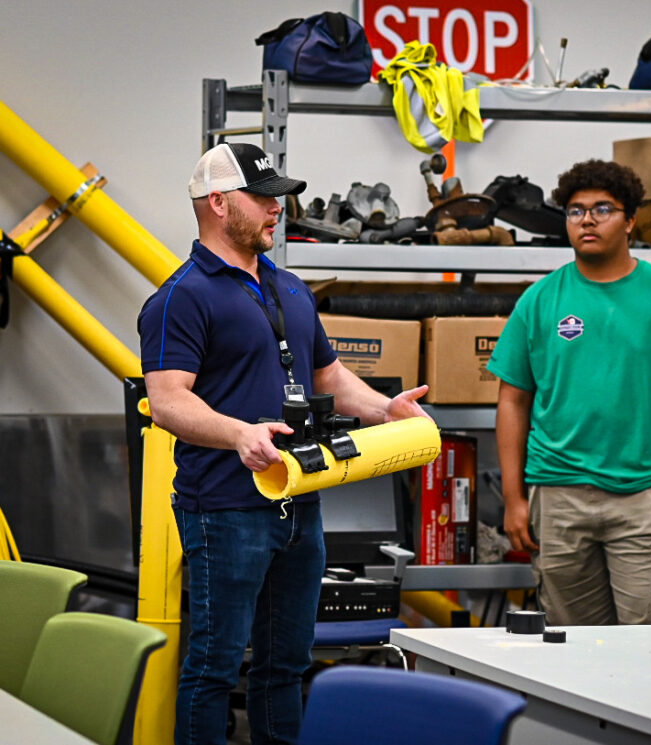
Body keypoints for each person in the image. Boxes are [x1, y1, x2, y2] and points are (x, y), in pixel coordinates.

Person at [138, 142, 428, 745]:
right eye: (263, 197)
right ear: (217, 203)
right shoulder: (180, 297)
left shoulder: (289, 287)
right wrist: (239, 433)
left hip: (300, 504)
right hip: (224, 510)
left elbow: (328, 377)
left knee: (286, 666)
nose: (277, 208)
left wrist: (385, 411)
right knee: (215, 668)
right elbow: (169, 401)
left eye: (279, 197)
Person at [487, 159, 651, 626]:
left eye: (603, 209)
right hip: (557, 496)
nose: (587, 220)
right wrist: (515, 499)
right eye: (575, 211)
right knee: (570, 652)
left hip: (645, 495)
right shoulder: (539, 299)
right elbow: (512, 400)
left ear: (631, 220)